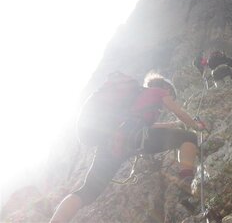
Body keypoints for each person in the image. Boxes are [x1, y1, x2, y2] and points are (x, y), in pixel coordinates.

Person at [49, 72, 205, 223]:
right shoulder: (159, 92)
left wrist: (173, 125)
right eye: (172, 95)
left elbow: (148, 125)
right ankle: (187, 180)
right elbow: (178, 112)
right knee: (188, 137)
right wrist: (195, 125)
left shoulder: (138, 97)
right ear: (167, 89)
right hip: (135, 140)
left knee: (88, 191)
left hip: (110, 144)